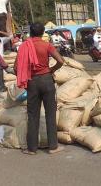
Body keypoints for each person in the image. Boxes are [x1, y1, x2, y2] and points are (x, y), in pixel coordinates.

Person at [15, 22, 64, 155]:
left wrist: (26, 74)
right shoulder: (47, 45)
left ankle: (32, 149)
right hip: (47, 80)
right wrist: (50, 69)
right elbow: (60, 60)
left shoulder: (24, 46)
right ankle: (53, 147)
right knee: (50, 114)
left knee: (32, 115)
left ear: (30, 32)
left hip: (32, 82)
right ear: (43, 33)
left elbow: (16, 67)